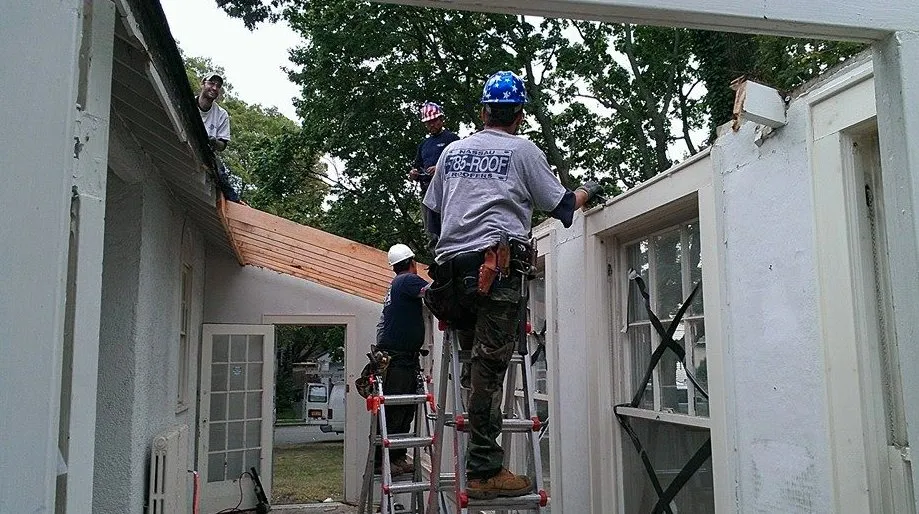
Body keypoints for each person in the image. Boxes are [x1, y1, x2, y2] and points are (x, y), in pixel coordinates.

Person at [422, 71, 603, 499]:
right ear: (519, 114)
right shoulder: (522, 151)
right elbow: (561, 208)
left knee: (474, 366)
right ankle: (485, 470)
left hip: (452, 276)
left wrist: (448, 244)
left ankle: (478, 456)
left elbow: (432, 214)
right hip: (495, 274)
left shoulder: (452, 153)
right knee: (489, 368)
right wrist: (588, 191)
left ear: (483, 111)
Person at [373, 244, 430, 475]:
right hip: (398, 359)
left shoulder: (396, 284)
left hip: (401, 358)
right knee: (396, 410)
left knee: (405, 409)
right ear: (412, 262)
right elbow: (434, 292)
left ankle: (396, 457)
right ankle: (382, 461)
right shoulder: (407, 281)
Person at [197, 71, 240, 202]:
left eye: (218, 86)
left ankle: (234, 202)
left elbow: (222, 145)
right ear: (203, 83)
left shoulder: (221, 114)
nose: (214, 88)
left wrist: (214, 142)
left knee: (221, 174)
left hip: (207, 153)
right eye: (211, 83)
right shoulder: (187, 102)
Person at [409, 101, 460, 196]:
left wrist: (439, 169)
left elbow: (459, 163)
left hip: (446, 190)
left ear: (441, 120)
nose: (431, 125)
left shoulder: (452, 139)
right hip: (427, 191)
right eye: (428, 123)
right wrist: (414, 173)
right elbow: (418, 166)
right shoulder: (424, 144)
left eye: (434, 121)